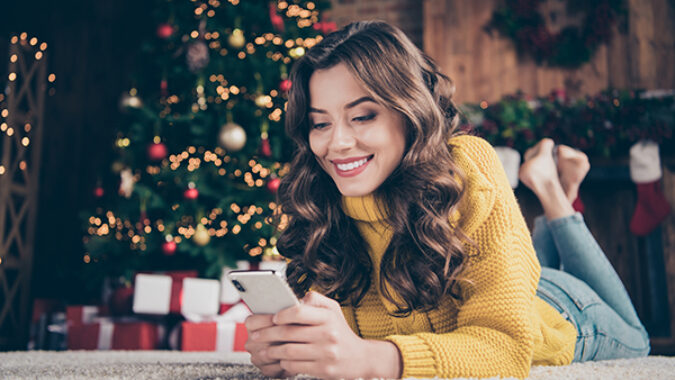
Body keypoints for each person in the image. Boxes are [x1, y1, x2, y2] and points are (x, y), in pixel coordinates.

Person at [244, 21, 650, 379]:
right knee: (522, 263)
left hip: (562, 311)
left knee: (638, 340)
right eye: (320, 123)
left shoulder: (466, 164)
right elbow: (341, 345)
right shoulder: (322, 195)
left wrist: (371, 360)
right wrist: (293, 349)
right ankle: (557, 193)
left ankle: (554, 196)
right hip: (504, 280)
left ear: (409, 112)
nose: (338, 143)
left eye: (363, 116)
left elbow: (506, 345)